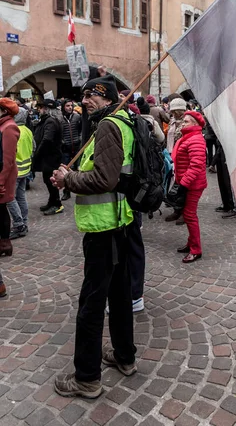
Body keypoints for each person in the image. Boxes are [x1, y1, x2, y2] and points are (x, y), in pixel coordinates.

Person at [51, 74, 138, 398]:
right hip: (120, 223)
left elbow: (104, 178)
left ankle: (87, 378)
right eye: (84, 95)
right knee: (118, 296)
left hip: (104, 229)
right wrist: (70, 174)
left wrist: (69, 179)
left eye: (91, 96)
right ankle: (125, 357)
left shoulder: (108, 126)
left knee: (91, 303)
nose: (84, 101)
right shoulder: (123, 121)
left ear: (106, 97)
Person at [172, 111, 207, 263]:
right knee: (188, 215)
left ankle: (196, 249)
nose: (183, 123)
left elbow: (196, 165)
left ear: (194, 124)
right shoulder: (189, 137)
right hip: (188, 183)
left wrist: (183, 185)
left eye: (186, 121)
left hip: (193, 185)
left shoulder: (195, 139)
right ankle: (191, 243)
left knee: (190, 216)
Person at [33, 99, 63, 216]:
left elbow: (47, 139)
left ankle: (57, 204)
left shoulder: (50, 121)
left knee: (51, 181)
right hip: (49, 157)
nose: (39, 110)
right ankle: (51, 202)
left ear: (46, 109)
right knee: (47, 180)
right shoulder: (48, 120)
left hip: (50, 157)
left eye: (41, 108)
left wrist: (37, 153)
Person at [7, 108, 34, 239]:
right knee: (21, 197)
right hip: (26, 169)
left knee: (10, 198)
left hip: (15, 170)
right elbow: (33, 147)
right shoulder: (27, 130)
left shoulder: (13, 130)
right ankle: (24, 222)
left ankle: (19, 224)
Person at [0, 98, 20, 258]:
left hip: (3, 176)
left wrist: (0, 182)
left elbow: (8, 160)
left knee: (1, 209)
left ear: (4, 111)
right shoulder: (3, 125)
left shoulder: (9, 127)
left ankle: (5, 243)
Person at [61, 99, 82, 201]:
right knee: (66, 171)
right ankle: (67, 191)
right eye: (67, 106)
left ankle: (80, 189)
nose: (70, 107)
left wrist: (80, 138)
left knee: (79, 170)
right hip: (65, 148)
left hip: (77, 146)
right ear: (63, 107)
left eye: (71, 105)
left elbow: (82, 129)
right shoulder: (60, 119)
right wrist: (62, 141)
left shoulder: (77, 117)